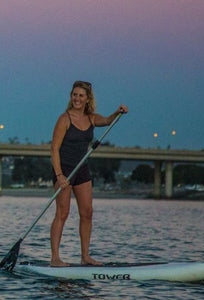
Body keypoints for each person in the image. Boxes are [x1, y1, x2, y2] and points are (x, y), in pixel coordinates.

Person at [49, 80, 128, 267]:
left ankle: (85, 256)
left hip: (82, 168)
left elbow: (108, 120)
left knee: (87, 213)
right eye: (74, 95)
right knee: (62, 213)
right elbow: (54, 149)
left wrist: (118, 112)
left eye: (80, 95)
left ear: (87, 99)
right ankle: (55, 259)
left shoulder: (91, 118)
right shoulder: (64, 119)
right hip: (65, 170)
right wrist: (59, 176)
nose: (77, 98)